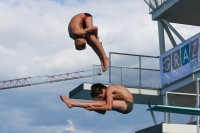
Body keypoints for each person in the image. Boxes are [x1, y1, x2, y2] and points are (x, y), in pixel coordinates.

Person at [60, 83, 134, 114]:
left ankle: (73, 103)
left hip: (128, 105)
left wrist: (94, 108)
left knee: (102, 103)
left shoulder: (110, 89)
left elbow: (109, 107)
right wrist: (93, 107)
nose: (102, 98)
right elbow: (103, 112)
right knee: (99, 104)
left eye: (101, 96)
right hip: (123, 103)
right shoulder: (111, 90)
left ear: (103, 90)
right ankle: (73, 104)